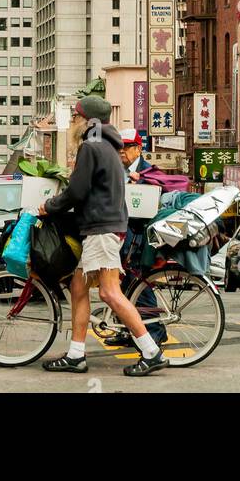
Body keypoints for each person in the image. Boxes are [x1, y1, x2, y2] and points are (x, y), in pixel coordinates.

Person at [38, 96, 167, 378]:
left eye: (75, 115)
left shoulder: (91, 145)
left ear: (87, 119)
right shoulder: (107, 144)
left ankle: (151, 351)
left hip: (102, 228)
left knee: (109, 292)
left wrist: (50, 206)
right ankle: (75, 354)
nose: (73, 120)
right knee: (78, 287)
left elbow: (77, 191)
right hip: (105, 225)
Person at [105, 128, 166, 350]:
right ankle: (128, 330)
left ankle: (156, 332)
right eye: (119, 147)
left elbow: (154, 199)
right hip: (120, 234)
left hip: (139, 237)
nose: (121, 151)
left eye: (127, 147)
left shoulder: (148, 172)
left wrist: (138, 184)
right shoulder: (116, 169)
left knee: (139, 285)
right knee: (123, 287)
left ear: (138, 149)